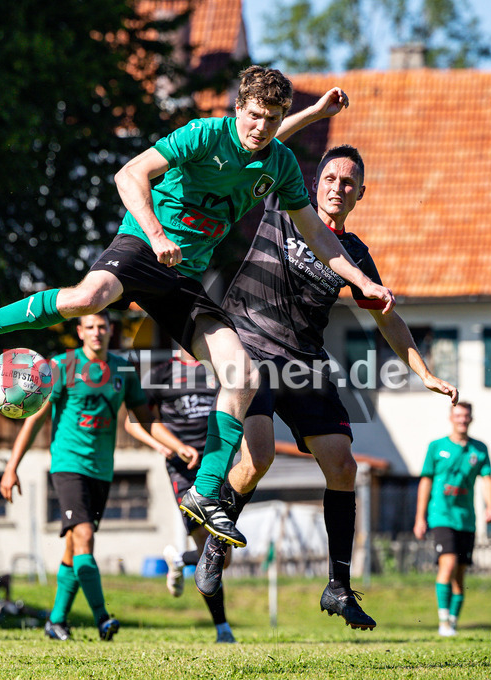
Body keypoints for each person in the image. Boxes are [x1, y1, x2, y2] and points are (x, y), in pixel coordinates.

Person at [0, 66, 394, 550]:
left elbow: (318, 235)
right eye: (254, 116)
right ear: (238, 110)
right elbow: (128, 174)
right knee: (87, 299)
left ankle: (206, 492)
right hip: (141, 247)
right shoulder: (201, 134)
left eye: (273, 119)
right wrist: (155, 233)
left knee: (242, 373)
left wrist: (362, 280)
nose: (262, 127)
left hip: (183, 278)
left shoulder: (278, 161)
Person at [191, 91, 459, 630]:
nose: (338, 187)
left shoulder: (355, 255)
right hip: (250, 347)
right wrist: (314, 115)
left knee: (343, 465)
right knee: (260, 455)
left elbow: (388, 318)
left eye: (349, 182)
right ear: (314, 183)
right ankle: (216, 548)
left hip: (305, 363)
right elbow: (267, 143)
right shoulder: (285, 206)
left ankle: (338, 585)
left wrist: (425, 373)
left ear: (360, 194)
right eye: (330, 178)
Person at [0, 312, 179, 641]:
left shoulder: (123, 369)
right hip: (68, 465)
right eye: (90, 327)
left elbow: (145, 419)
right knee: (84, 537)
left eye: (102, 326)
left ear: (110, 330)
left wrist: (177, 446)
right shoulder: (61, 366)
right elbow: (36, 418)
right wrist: (12, 467)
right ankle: (102, 619)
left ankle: (56, 621)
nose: (97, 332)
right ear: (79, 332)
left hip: (102, 469)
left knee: (74, 547)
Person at [123, 347, 237, 643]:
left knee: (224, 559)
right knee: (212, 550)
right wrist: (166, 445)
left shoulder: (219, 369)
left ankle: (178, 561)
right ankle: (222, 630)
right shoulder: (161, 375)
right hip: (184, 472)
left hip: (217, 466)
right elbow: (133, 422)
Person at [414, 401, 491, 637]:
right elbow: (425, 481)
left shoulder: (479, 449)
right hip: (441, 515)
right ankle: (443, 622)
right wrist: (420, 518)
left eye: (466, 416)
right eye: (458, 415)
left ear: (471, 419)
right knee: (447, 564)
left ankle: (453, 620)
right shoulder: (436, 447)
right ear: (451, 417)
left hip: (466, 519)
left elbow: (487, 479)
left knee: (460, 574)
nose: (462, 419)